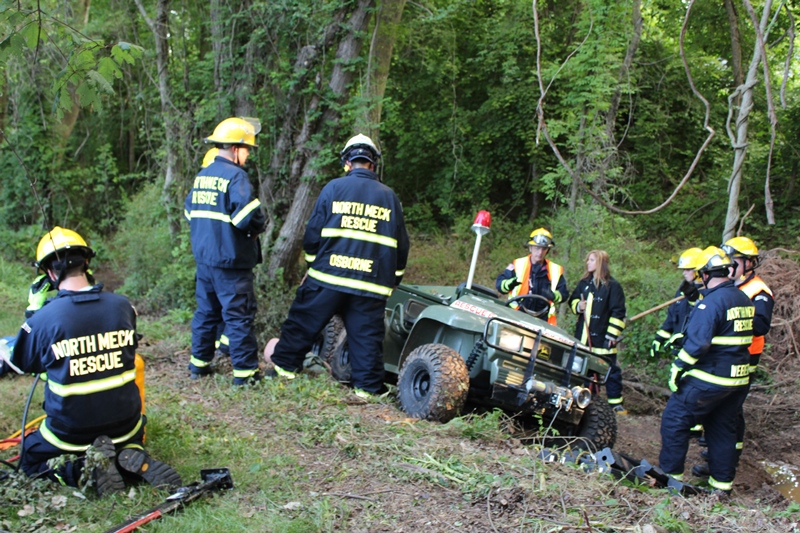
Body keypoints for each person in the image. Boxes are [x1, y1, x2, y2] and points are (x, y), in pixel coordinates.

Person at [9, 227, 181, 496]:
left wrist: (33, 310)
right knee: (125, 435)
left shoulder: (44, 318)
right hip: (128, 425)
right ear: (86, 262)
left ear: (49, 274)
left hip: (71, 432)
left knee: (30, 459)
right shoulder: (123, 306)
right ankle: (129, 454)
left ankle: (83, 470)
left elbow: (24, 363)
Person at [269, 134, 409, 397]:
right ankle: (366, 390)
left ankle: (283, 370)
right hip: (369, 284)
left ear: (347, 163)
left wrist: (312, 267)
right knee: (366, 339)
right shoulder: (390, 198)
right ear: (373, 164)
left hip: (328, 278)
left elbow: (313, 234)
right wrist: (393, 281)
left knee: (303, 323)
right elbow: (401, 247)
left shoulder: (333, 188)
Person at [658, 246, 754, 496]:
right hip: (736, 380)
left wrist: (678, 367)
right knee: (722, 429)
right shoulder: (742, 298)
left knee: (674, 420)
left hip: (709, 378)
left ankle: (670, 482)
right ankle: (721, 489)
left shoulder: (710, 304)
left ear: (705, 274)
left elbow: (698, 344)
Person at [184, 117, 266, 385]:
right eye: (247, 150)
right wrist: (259, 225)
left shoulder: (202, 176)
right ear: (235, 148)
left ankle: (199, 365)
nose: (248, 155)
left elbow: (190, 213)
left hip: (205, 260)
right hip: (231, 262)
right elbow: (247, 217)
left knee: (206, 312)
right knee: (238, 316)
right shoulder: (236, 176)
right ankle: (245, 374)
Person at [693, 236, 774, 477]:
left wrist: (733, 315)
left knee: (731, 411)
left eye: (734, 261)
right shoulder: (731, 287)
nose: (729, 265)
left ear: (749, 263)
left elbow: (761, 325)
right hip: (724, 357)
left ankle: (728, 459)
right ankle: (719, 455)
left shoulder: (759, 291)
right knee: (722, 410)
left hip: (745, 359)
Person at [567, 250, 627, 413]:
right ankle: (586, 399)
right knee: (583, 369)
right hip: (583, 337)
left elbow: (618, 312)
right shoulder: (584, 284)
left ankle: (615, 403)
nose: (588, 263)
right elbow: (572, 300)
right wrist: (578, 306)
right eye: (588, 260)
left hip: (603, 339)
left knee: (610, 371)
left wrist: (612, 336)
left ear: (600, 263)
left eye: (592, 260)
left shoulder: (613, 287)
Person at [495, 228, 568, 325]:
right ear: (530, 248)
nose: (540, 252)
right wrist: (508, 284)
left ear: (547, 250)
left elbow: (564, 294)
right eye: (537, 248)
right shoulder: (518, 264)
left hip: (543, 321)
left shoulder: (555, 270)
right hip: (516, 316)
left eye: (543, 249)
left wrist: (554, 296)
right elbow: (500, 284)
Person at [651, 247, 704, 358]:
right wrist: (660, 338)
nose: (684, 273)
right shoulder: (682, 291)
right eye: (683, 270)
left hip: (695, 354)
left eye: (688, 270)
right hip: (678, 352)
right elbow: (672, 316)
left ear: (699, 270)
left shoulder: (707, 293)